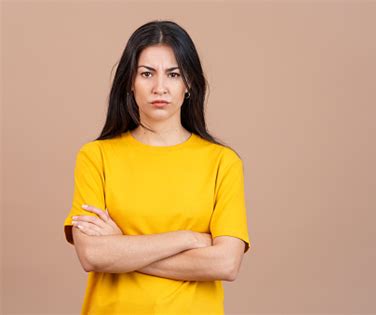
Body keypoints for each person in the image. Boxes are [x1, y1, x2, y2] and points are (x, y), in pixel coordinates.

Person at [62, 20, 251, 314]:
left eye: (173, 74)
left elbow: (225, 263)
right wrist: (187, 239)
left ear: (189, 84)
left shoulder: (222, 163)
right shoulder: (96, 157)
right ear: (130, 83)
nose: (159, 87)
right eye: (147, 73)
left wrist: (121, 247)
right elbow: (93, 255)